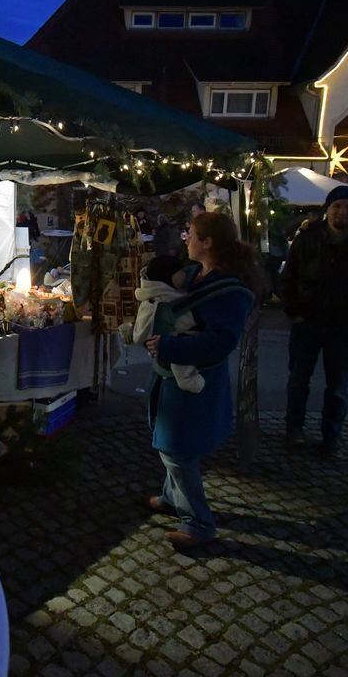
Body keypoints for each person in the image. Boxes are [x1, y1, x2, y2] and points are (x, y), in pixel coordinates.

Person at [142, 212, 259, 549]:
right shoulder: (194, 273)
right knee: (169, 442)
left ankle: (198, 523)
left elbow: (220, 342)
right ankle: (170, 496)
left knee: (177, 450)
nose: (186, 239)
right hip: (171, 378)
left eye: (190, 233)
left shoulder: (230, 289)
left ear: (207, 242)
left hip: (196, 381)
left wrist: (170, 345)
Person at [281, 185, 348, 454]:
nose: (342, 211)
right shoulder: (308, 238)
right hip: (307, 320)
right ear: (328, 210)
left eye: (347, 207)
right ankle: (294, 429)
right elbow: (289, 277)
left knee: (338, 385)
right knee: (298, 379)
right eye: (337, 206)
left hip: (345, 323)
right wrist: (293, 308)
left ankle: (331, 436)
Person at [121, 256, 205, 393]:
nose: (184, 274)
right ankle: (187, 381)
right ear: (169, 276)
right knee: (180, 356)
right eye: (180, 272)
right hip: (171, 341)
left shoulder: (152, 293)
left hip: (157, 343)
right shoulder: (164, 297)